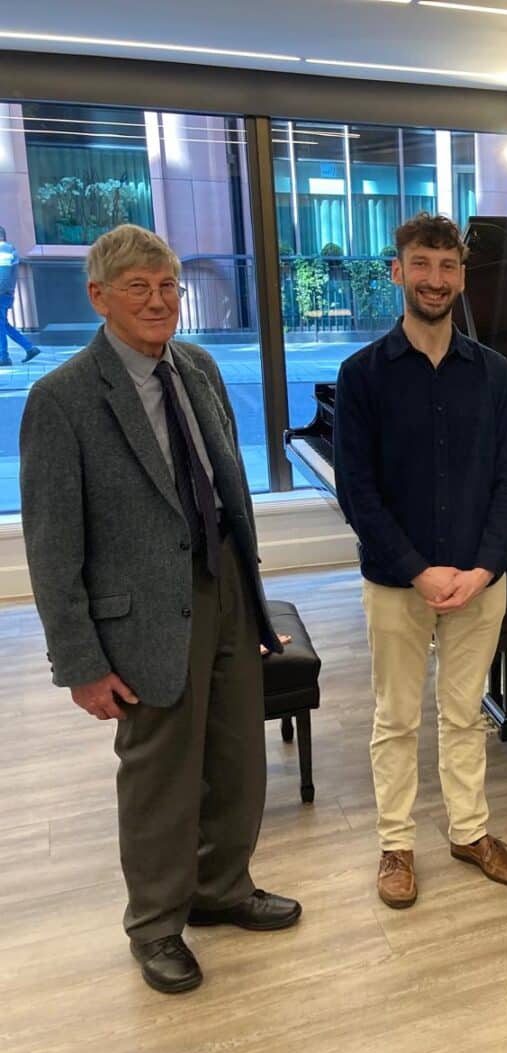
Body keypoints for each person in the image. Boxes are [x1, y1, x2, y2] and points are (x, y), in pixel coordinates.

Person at [19, 224, 298, 995]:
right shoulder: (62, 398)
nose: (158, 300)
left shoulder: (198, 366)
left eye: (168, 285)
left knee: (237, 760)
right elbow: (51, 549)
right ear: (99, 297)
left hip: (226, 589)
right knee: (159, 782)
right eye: (137, 287)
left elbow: (227, 490)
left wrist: (251, 601)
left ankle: (222, 888)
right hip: (140, 616)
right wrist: (80, 664)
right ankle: (155, 925)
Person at [334, 212, 507, 910]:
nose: (435, 279)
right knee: (396, 719)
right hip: (397, 581)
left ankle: (469, 832)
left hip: (478, 579)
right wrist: (419, 569)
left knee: (465, 715)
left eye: (447, 266)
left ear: (462, 277)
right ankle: (396, 845)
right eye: (421, 264)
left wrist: (483, 567)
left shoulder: (493, 372)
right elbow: (357, 492)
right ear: (398, 271)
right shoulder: (362, 375)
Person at [0, 225, 42, 364]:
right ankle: (29, 348)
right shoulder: (7, 249)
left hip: (1, 294)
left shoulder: (3, 249)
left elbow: (3, 276)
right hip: (5, 293)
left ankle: (3, 357)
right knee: (4, 325)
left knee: (1, 325)